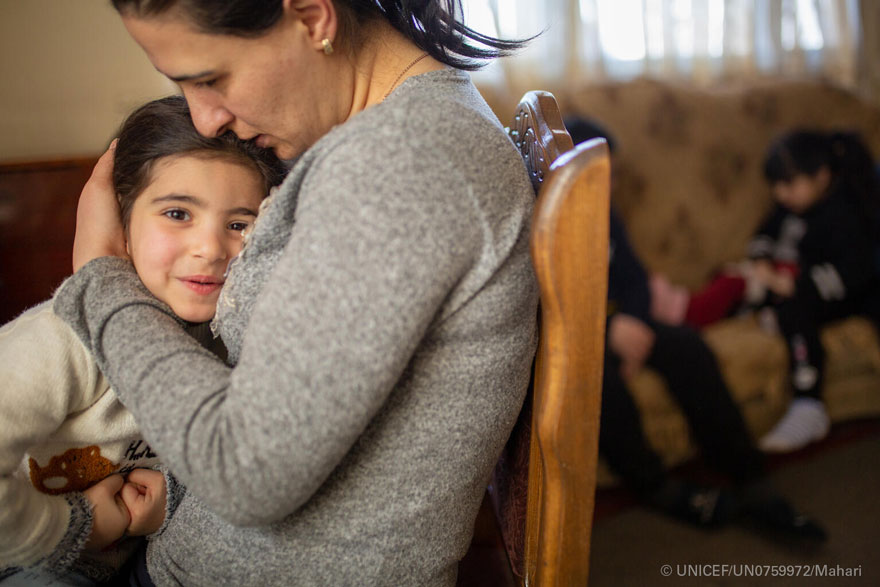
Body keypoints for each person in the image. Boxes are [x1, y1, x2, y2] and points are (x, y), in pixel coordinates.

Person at [52, 1, 539, 585]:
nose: (204, 120)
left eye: (210, 78)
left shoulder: (401, 163)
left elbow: (246, 471)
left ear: (311, 17)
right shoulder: (394, 140)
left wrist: (101, 276)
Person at [0, 95, 285, 585]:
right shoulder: (62, 339)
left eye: (239, 225)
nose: (211, 248)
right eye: (177, 214)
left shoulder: (231, 339)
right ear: (121, 228)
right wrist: (68, 528)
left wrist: (166, 499)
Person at [565, 117, 827, 540]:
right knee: (598, 384)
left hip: (622, 322)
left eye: (611, 175)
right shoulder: (543, 222)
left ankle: (750, 478)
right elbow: (546, 303)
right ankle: (658, 487)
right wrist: (606, 330)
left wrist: (631, 319)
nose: (609, 186)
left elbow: (633, 277)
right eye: (598, 175)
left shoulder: (605, 211)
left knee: (689, 347)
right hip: (576, 336)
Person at [654, 130, 879, 452]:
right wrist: (761, 261)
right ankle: (690, 308)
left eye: (789, 184)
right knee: (731, 279)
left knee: (794, 310)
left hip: (826, 292)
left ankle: (808, 404)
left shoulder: (842, 214)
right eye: (776, 185)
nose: (780, 193)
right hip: (780, 281)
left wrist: (796, 285)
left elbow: (855, 273)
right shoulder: (786, 209)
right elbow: (764, 235)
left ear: (821, 176)